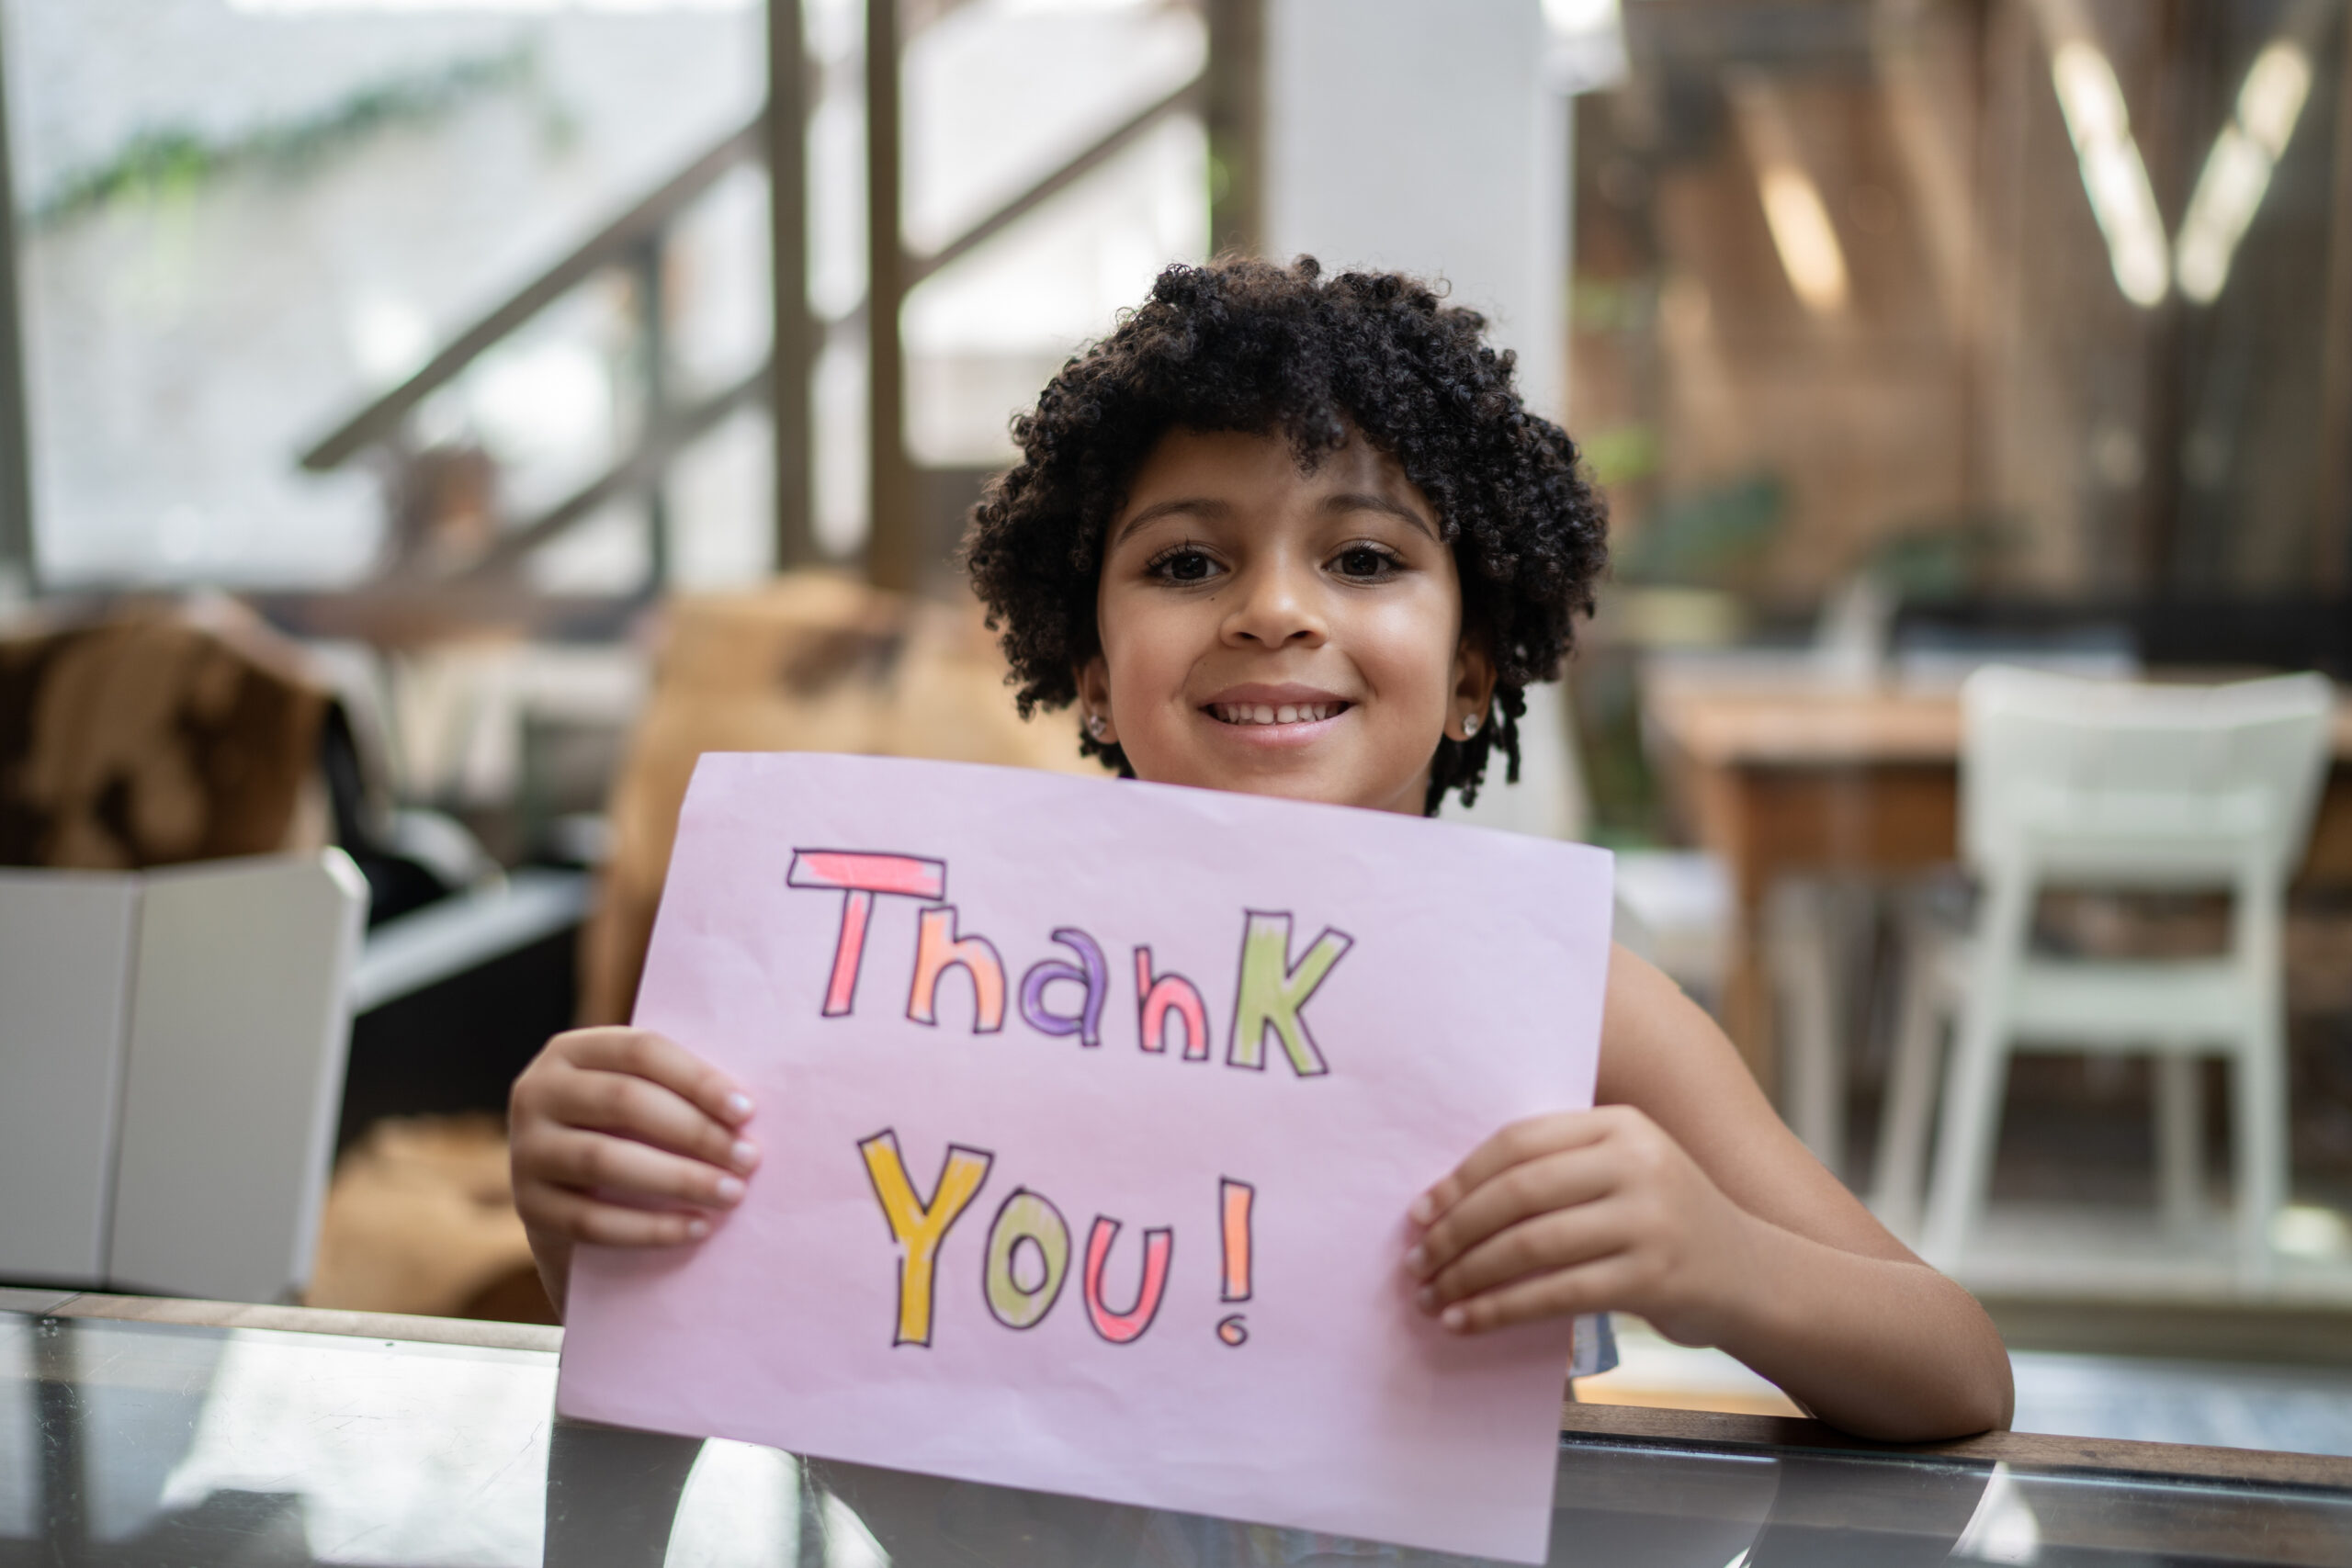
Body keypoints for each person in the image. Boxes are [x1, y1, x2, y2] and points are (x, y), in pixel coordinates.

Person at [510, 256, 2013, 1441]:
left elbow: (1955, 1369)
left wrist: (1716, 1263)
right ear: (1089, 666)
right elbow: (733, 1346)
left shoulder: (1583, 1014)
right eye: (1185, 561)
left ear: (1476, 662)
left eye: (1363, 559)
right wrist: (588, 1213)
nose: (1273, 610)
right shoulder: (929, 983)